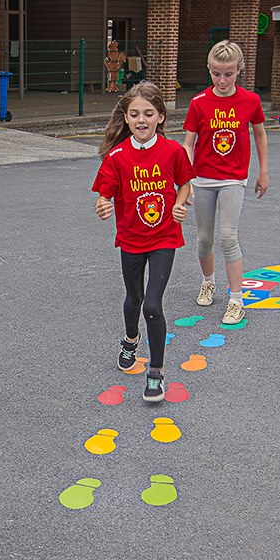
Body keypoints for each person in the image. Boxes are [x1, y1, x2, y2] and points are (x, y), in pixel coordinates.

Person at [93, 82, 193, 403]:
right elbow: (104, 193)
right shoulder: (117, 156)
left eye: (148, 114)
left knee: (152, 305)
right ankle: (130, 338)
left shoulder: (173, 151)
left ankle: (156, 373)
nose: (141, 119)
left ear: (160, 117)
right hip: (131, 239)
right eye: (134, 114)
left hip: (164, 236)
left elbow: (185, 182)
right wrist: (103, 204)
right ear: (126, 117)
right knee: (133, 298)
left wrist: (181, 203)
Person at [182, 40, 267, 325]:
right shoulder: (198, 103)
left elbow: (260, 134)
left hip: (233, 178)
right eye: (216, 73)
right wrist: (185, 179)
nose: (222, 80)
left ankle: (236, 299)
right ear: (209, 70)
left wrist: (263, 171)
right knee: (204, 239)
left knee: (228, 236)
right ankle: (208, 281)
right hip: (203, 178)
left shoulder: (250, 101)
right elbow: (188, 143)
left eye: (228, 74)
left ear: (239, 71)